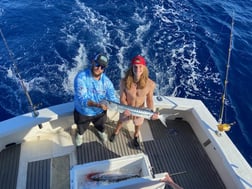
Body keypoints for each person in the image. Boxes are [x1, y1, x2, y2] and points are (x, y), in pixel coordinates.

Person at [109, 55, 159, 147]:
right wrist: (126, 109)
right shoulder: (124, 82)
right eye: (135, 66)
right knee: (121, 121)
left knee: (138, 124)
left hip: (140, 110)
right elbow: (122, 99)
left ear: (144, 68)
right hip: (126, 108)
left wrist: (152, 112)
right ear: (131, 67)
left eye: (140, 66)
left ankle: (136, 135)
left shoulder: (150, 84)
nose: (138, 69)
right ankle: (116, 131)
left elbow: (149, 100)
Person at [73, 53, 118, 146]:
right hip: (83, 112)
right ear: (93, 62)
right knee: (81, 128)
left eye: (102, 67)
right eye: (97, 65)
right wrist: (98, 105)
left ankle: (100, 132)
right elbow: (82, 100)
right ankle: (80, 135)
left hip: (100, 113)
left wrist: (124, 109)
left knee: (101, 126)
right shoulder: (81, 77)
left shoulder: (107, 82)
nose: (99, 68)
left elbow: (113, 98)